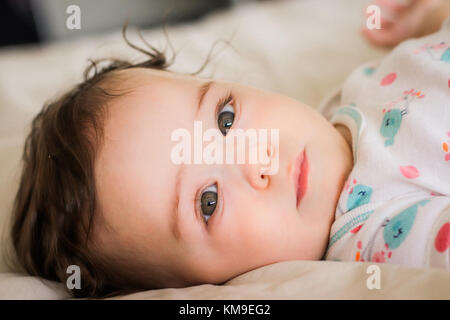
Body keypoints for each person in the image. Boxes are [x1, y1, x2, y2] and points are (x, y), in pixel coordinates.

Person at [10, 0, 450, 298]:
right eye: (209, 201)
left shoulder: (351, 97)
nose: (257, 159)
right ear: (199, 286)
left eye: (225, 119)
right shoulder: (381, 237)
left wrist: (427, 18)